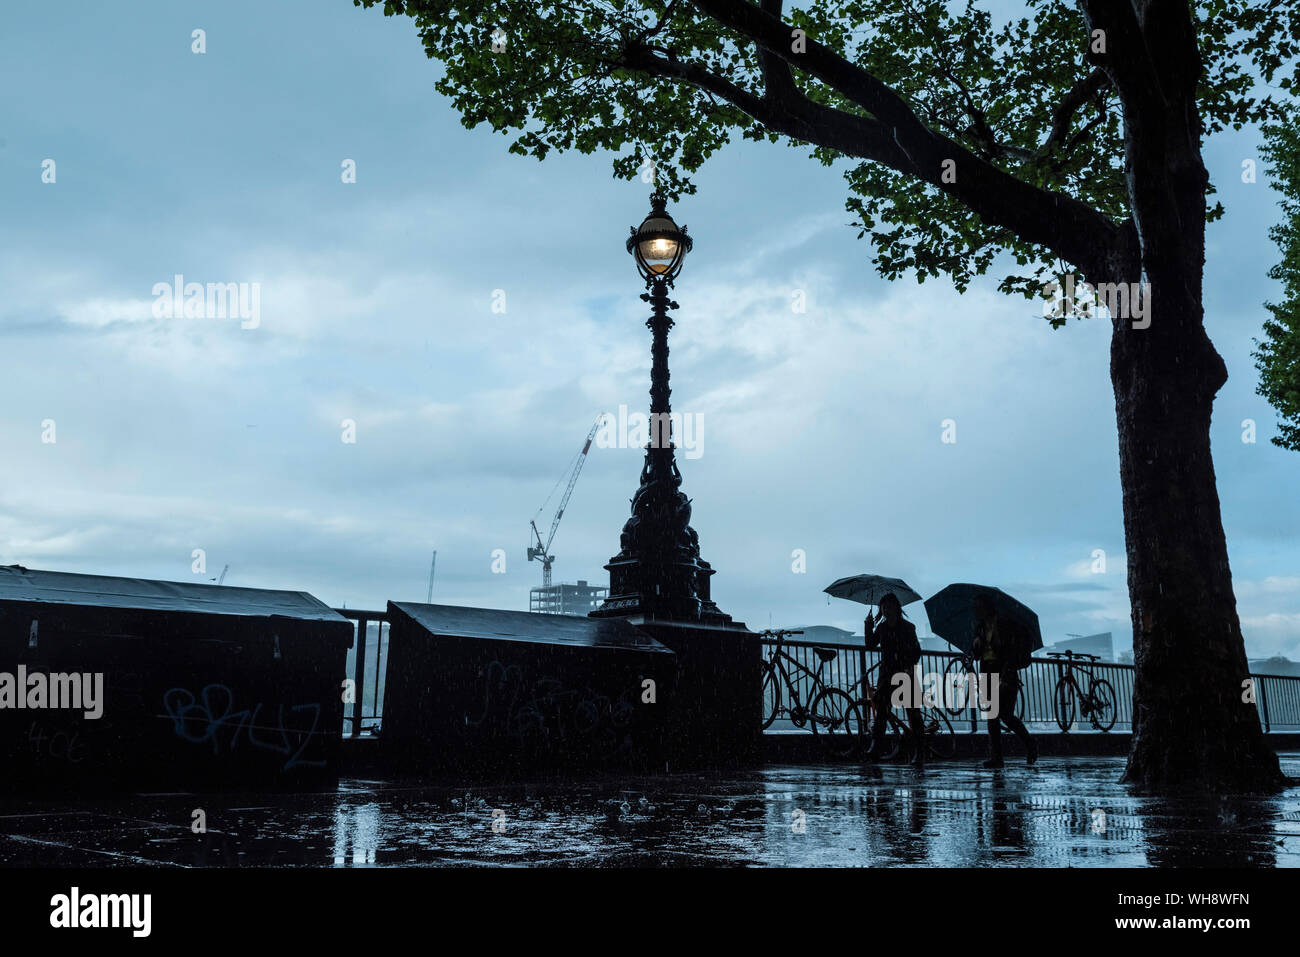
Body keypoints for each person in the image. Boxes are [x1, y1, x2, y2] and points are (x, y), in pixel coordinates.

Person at [972, 591, 1038, 768]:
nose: (976, 610)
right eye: (975, 607)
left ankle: (1029, 744)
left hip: (1004, 670)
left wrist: (1002, 647)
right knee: (993, 715)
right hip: (988, 670)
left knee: (1005, 714)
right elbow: (977, 653)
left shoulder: (1004, 623)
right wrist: (976, 645)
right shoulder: (980, 627)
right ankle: (997, 757)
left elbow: (1011, 648)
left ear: (987, 606)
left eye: (979, 606)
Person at [864, 592, 925, 765]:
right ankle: (876, 748)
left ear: (897, 608)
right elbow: (870, 644)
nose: (886, 610)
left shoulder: (908, 627)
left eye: (889, 607)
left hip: (905, 673)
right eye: (884, 607)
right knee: (882, 711)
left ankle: (919, 752)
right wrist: (868, 626)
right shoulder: (882, 628)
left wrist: (907, 665)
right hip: (887, 674)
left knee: (913, 713)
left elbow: (916, 652)